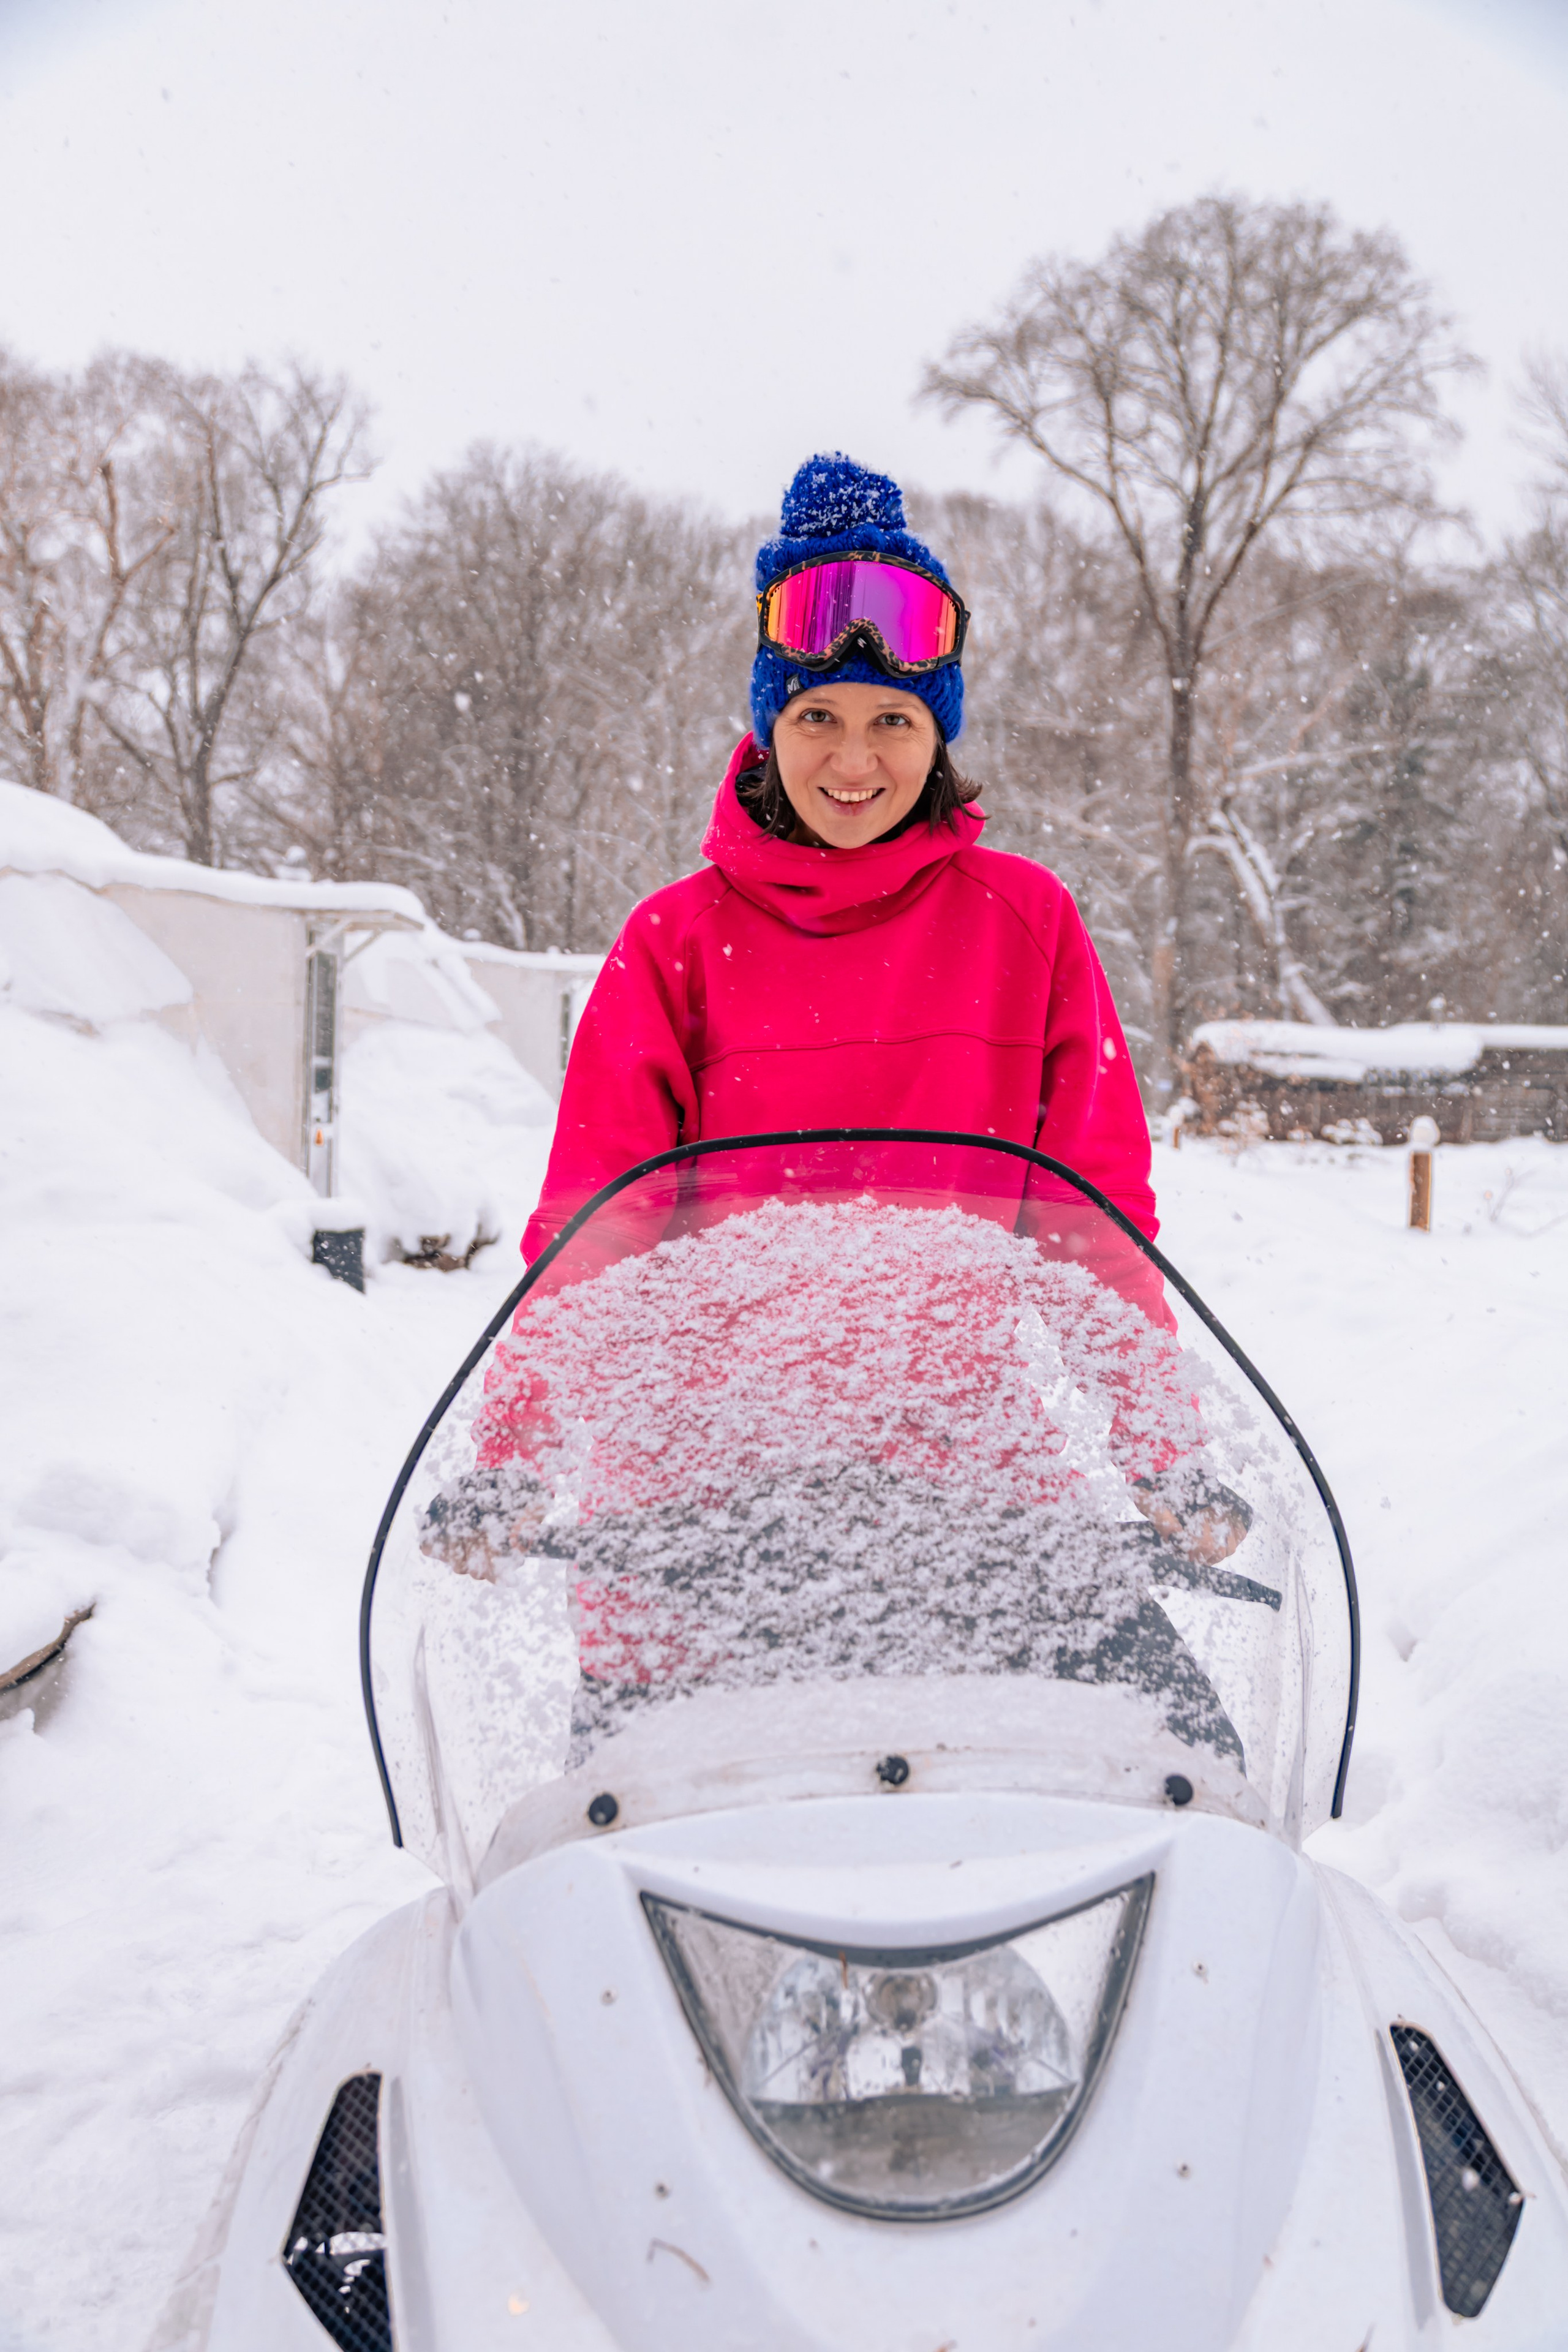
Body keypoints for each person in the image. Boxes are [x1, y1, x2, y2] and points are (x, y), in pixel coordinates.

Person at [521, 453, 1158, 1265]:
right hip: (730, 1396)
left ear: (936, 738)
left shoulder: (1027, 924)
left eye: (892, 722)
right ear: (770, 731)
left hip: (962, 1398)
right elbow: (593, 1237)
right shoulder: (672, 943)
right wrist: (533, 1393)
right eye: (817, 716)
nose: (854, 764)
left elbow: (1098, 1231)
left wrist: (1145, 1396)